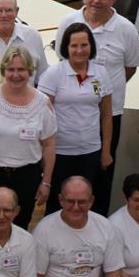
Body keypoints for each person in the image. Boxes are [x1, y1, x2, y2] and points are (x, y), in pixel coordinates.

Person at [57, 0, 139, 215]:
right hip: (71, 111)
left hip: (108, 114)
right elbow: (64, 60)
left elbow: (129, 68)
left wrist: (102, 91)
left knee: (102, 171)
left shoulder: (126, 29)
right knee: (67, 171)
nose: (96, 1)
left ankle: (97, 222)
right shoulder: (68, 23)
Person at [0, 45, 57, 231]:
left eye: (21, 70)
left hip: (27, 177)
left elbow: (49, 145)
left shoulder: (43, 103)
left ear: (30, 71)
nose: (16, 75)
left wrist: (46, 182)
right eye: (11, 69)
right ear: (3, 71)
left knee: (20, 226)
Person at [38, 23, 113, 215]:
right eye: (74, 46)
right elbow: (42, 117)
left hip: (90, 151)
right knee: (57, 204)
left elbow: (106, 115)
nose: (79, 50)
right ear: (66, 47)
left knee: (86, 202)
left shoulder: (101, 73)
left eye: (84, 45)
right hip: (60, 153)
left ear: (91, 46)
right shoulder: (53, 74)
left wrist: (106, 151)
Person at [0, 0, 50, 81]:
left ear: (16, 11)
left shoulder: (33, 37)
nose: (4, 15)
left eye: (9, 10)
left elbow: (42, 77)